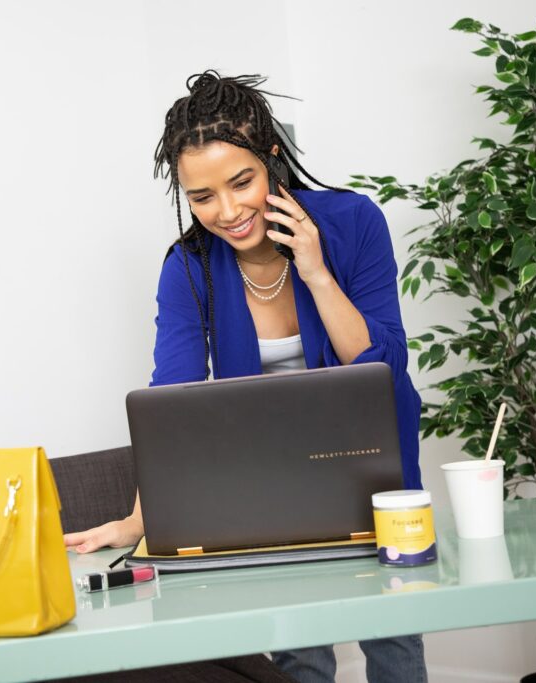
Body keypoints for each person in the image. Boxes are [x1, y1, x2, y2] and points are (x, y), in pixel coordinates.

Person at [64, 71, 426, 683]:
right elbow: (171, 406)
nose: (227, 211)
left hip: (373, 467)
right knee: (297, 649)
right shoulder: (188, 269)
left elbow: (384, 371)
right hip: (267, 486)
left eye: (242, 182)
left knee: (393, 637)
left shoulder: (352, 222)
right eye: (202, 197)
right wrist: (136, 520)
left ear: (273, 158)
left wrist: (314, 271)